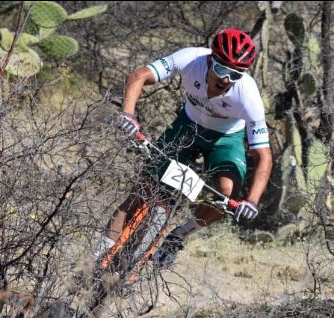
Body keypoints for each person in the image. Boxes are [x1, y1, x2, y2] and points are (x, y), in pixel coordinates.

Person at [95, 28, 273, 269]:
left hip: (225, 138)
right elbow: (140, 75)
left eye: (236, 75)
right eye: (221, 70)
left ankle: (179, 235)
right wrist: (128, 114)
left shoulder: (248, 96)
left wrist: (251, 201)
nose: (226, 81)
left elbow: (263, 155)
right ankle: (93, 262)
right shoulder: (191, 58)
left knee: (226, 192)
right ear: (210, 60)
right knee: (141, 192)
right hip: (187, 126)